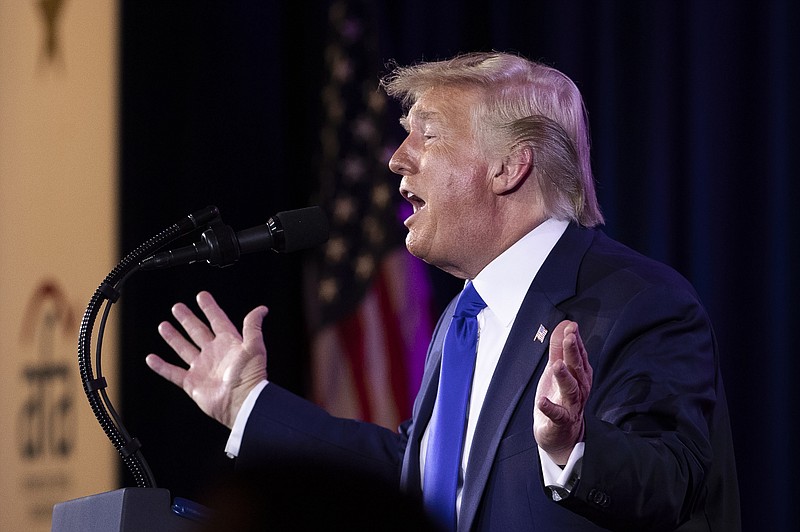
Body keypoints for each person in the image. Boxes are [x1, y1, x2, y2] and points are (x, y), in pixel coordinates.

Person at [146, 52, 740, 531]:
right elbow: (416, 475)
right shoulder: (464, 319)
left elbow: (673, 479)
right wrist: (248, 405)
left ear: (510, 167)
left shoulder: (636, 301)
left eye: (427, 137)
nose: (397, 160)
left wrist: (574, 447)